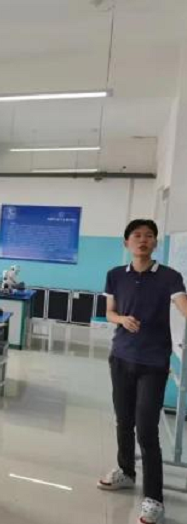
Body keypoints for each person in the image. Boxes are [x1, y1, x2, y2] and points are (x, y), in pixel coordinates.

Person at [98, 219, 187, 524]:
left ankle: (154, 499)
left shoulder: (170, 276)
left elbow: (182, 304)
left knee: (147, 429)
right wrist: (121, 319)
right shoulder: (114, 275)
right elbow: (109, 312)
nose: (143, 240)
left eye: (149, 236)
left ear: (155, 243)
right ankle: (126, 471)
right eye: (136, 235)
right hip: (121, 358)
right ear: (126, 243)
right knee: (123, 421)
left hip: (153, 363)